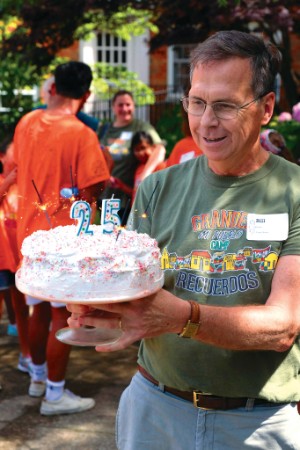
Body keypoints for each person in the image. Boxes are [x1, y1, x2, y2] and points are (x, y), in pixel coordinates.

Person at [68, 30, 300, 449]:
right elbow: (134, 298)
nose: (206, 120)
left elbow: (282, 325)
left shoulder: (294, 193)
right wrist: (93, 305)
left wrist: (181, 317)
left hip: (254, 423)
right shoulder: (157, 188)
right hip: (155, 407)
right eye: (197, 101)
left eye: (226, 105)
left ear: (266, 108)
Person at [14, 61, 110, 416]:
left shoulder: (26, 122)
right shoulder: (82, 134)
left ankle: (38, 379)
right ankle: (54, 393)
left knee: (37, 308)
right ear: (86, 95)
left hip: (28, 233)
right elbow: (94, 187)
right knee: (60, 315)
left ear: (53, 88)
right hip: (62, 238)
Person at [98, 90, 165, 221]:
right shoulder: (104, 130)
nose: (124, 108)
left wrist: (144, 175)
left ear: (133, 106)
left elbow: (159, 150)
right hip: (105, 198)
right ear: (113, 107)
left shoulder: (140, 127)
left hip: (127, 201)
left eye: (128, 104)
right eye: (120, 105)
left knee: (125, 239)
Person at [0, 137, 31, 372]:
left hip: (18, 258)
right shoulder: (4, 181)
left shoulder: (25, 184)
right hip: (3, 257)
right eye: (15, 155)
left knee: (21, 307)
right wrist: (7, 182)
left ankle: (26, 354)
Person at [109, 131, 165, 203]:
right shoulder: (138, 169)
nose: (140, 153)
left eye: (143, 148)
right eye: (137, 150)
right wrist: (121, 186)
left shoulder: (160, 166)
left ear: (153, 147)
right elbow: (136, 194)